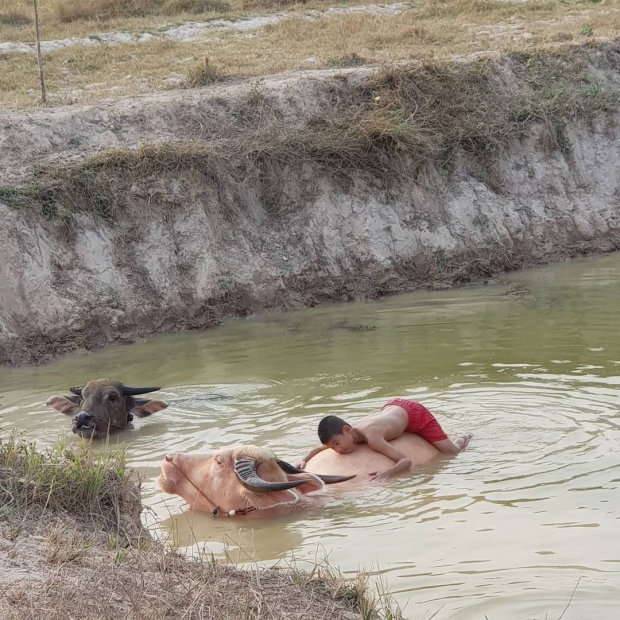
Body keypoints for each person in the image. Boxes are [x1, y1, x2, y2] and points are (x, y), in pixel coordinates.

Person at [296, 398, 473, 481]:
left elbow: (405, 461)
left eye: (337, 444)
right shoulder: (347, 435)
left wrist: (386, 474)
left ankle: (463, 438)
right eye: (333, 448)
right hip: (392, 407)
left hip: (414, 414)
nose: (338, 450)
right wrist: (302, 461)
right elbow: (318, 449)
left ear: (347, 430)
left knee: (452, 452)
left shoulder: (372, 438)